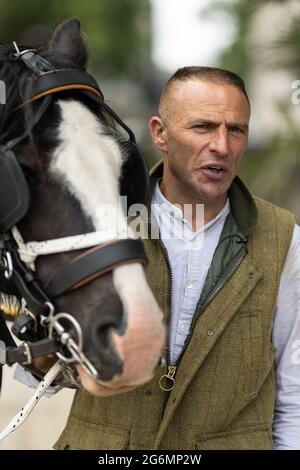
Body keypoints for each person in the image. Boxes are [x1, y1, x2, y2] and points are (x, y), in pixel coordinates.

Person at [18, 66, 300, 450]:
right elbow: (43, 374)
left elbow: (294, 392)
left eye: (236, 129)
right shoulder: (99, 221)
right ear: (160, 134)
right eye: (202, 127)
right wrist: (42, 356)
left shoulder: (284, 238)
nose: (222, 145)